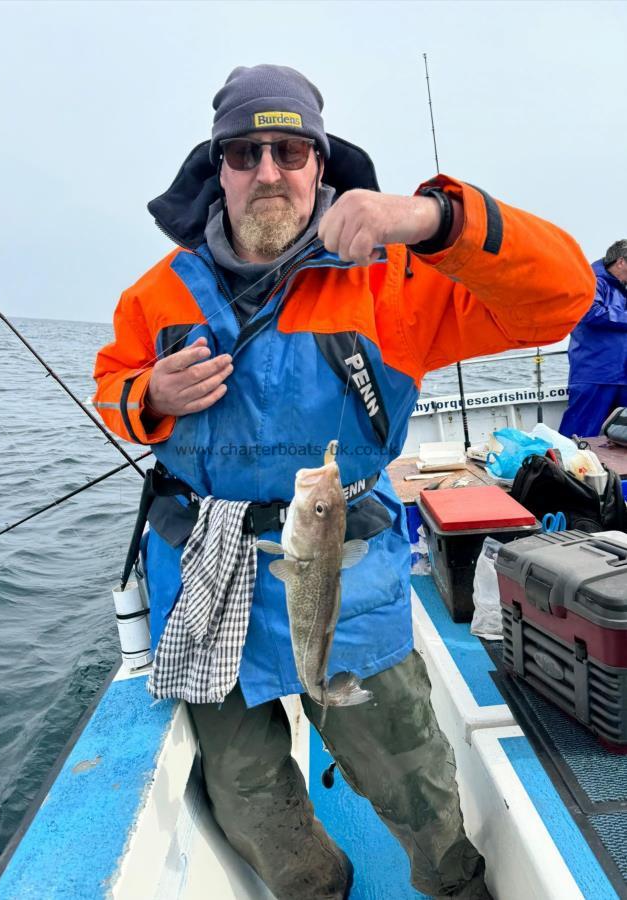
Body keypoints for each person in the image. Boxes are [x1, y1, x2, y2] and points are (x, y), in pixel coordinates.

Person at [93, 65, 594, 899]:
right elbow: (110, 384)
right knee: (248, 794)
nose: (268, 170)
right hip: (204, 567)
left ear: (321, 165)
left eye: (290, 150)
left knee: (408, 769)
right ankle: (314, 884)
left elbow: (562, 297)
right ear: (214, 166)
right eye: (244, 151)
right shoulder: (156, 293)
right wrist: (146, 396)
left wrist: (435, 218)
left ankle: (452, 881)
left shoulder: (394, 278)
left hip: (345, 564)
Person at [559, 239, 627, 438]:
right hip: (596, 374)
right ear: (621, 262)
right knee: (579, 435)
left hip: (622, 375)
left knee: (621, 437)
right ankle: (562, 469)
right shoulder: (590, 281)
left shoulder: (623, 287)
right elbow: (591, 312)